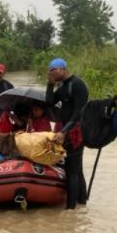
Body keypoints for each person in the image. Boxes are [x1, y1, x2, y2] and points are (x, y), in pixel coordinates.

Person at [46, 58, 89, 209]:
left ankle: (70, 210)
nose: (51, 73)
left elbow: (79, 113)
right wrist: (50, 84)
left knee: (72, 170)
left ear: (62, 69)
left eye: (53, 71)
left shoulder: (77, 85)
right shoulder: (63, 86)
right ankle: (82, 203)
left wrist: (64, 132)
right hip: (66, 129)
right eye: (49, 71)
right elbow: (49, 101)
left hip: (76, 131)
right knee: (77, 168)